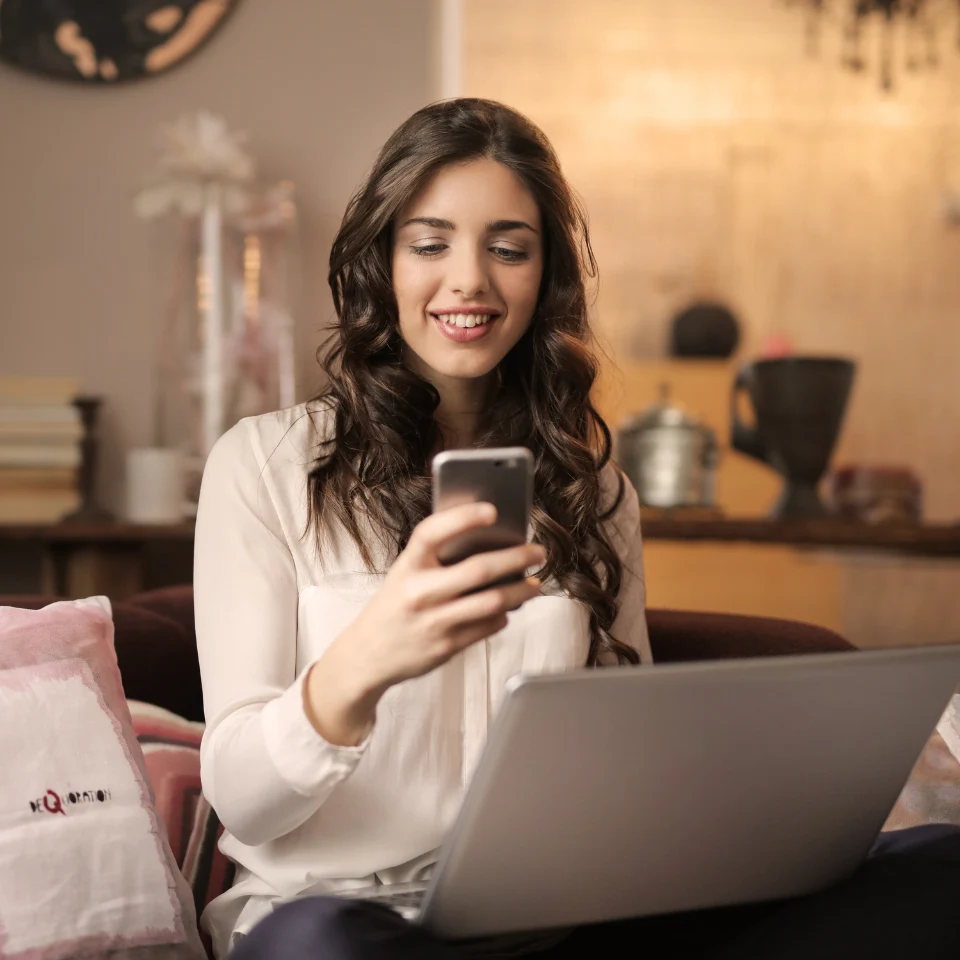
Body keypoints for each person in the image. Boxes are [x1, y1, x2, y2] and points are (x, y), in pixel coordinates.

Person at [194, 98, 960, 960]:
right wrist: (365, 660)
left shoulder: (594, 491)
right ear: (384, 260)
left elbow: (618, 755)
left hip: (545, 922)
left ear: (544, 274)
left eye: (508, 248)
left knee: (939, 868)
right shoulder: (265, 467)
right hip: (334, 917)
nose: (470, 282)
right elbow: (242, 798)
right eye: (431, 242)